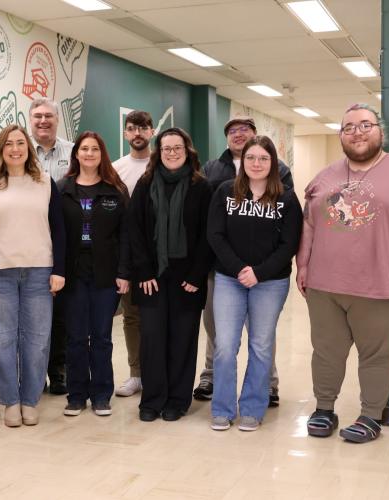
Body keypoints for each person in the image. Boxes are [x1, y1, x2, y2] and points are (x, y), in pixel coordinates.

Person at [297, 103, 389, 443]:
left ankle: (371, 415)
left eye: (365, 125)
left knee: (376, 356)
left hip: (382, 287)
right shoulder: (324, 176)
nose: (357, 132)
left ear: (380, 130)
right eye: (349, 127)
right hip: (324, 286)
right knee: (326, 351)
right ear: (341, 135)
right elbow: (308, 226)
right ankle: (324, 408)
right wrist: (302, 265)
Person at [0, 124, 66, 427]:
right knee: (1, 340)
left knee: (37, 341)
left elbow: (59, 229)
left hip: (39, 270)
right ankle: (10, 400)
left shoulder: (45, 183)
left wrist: (59, 270)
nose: (15, 148)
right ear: (1, 149)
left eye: (20, 143)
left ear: (28, 148)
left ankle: (29, 399)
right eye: (9, 144)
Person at [194, 115, 293, 406]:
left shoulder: (282, 179)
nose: (238, 134)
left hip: (267, 275)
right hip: (222, 267)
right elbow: (211, 223)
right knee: (220, 333)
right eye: (233, 131)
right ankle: (213, 384)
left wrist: (260, 271)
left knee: (261, 338)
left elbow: (287, 232)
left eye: (244, 130)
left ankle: (265, 388)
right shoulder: (214, 169)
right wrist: (234, 266)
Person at [207, 136, 302, 432]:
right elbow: (215, 235)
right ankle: (222, 408)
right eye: (251, 158)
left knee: (260, 346)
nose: (256, 163)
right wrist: (239, 270)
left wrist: (258, 273)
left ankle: (252, 407)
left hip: (270, 282)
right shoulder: (225, 192)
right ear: (242, 162)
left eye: (263, 158)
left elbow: (289, 245)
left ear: (273, 163)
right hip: (229, 279)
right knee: (224, 345)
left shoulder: (286, 198)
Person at [129, 127, 212, 422]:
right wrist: (143, 271)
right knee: (152, 339)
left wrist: (196, 274)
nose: (172, 153)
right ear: (158, 152)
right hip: (151, 277)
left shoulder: (201, 187)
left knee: (182, 339)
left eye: (178, 148)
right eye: (166, 149)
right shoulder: (145, 183)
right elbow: (135, 230)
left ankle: (177, 400)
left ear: (187, 151)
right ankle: (151, 400)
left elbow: (207, 235)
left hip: (187, 278)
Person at [58, 131, 130, 417]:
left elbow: (127, 236)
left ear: (102, 155)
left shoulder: (115, 189)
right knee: (75, 337)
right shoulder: (62, 188)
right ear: (76, 153)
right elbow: (55, 234)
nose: (89, 154)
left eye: (95, 150)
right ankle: (76, 395)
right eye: (84, 149)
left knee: (101, 337)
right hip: (73, 274)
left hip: (106, 274)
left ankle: (101, 395)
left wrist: (124, 272)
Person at [29, 98, 74, 395]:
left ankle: (59, 371)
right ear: (29, 120)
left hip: (65, 241)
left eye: (48, 116)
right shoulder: (17, 153)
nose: (43, 121)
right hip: (28, 242)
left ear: (58, 119)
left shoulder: (74, 152)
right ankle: (33, 373)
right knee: (32, 315)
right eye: (37, 116)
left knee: (60, 314)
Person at [112, 110, 154, 398]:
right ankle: (136, 374)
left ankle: (157, 372)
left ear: (151, 131)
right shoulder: (116, 169)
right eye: (131, 128)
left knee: (159, 317)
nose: (137, 133)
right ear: (126, 134)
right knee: (132, 317)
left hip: (160, 255)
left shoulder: (162, 163)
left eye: (142, 128)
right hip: (128, 254)